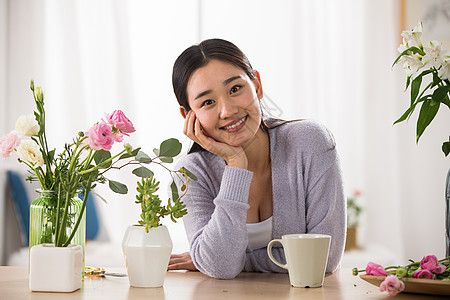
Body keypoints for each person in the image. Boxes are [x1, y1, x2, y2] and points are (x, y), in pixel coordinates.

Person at [168, 38, 346, 279]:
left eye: (235, 89)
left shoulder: (310, 142)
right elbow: (220, 267)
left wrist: (232, 260)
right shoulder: (190, 174)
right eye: (208, 102)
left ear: (257, 85)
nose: (227, 111)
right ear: (188, 114)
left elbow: (324, 258)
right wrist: (235, 165)